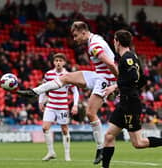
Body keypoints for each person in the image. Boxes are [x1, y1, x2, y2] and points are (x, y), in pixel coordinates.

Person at [17, 21, 118, 164]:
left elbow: (110, 63)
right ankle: (34, 91)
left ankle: (100, 148)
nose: (74, 39)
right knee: (65, 77)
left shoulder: (94, 45)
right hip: (98, 76)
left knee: (90, 113)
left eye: (76, 36)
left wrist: (119, 82)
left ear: (84, 32)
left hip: (105, 79)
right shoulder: (94, 39)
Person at [102, 29, 162, 168]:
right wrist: (125, 90)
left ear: (117, 42)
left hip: (130, 104)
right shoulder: (132, 56)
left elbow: (133, 78)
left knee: (138, 143)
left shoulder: (127, 58)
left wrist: (116, 87)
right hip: (125, 101)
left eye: (114, 41)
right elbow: (142, 80)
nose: (114, 44)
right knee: (109, 136)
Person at [40, 53, 79, 161]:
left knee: (65, 129)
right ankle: (51, 152)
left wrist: (75, 105)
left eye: (60, 61)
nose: (58, 62)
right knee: (45, 127)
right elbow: (43, 88)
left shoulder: (68, 75)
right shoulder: (48, 74)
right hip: (51, 105)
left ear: (64, 62)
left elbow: (75, 91)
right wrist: (41, 101)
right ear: (53, 62)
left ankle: (67, 155)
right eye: (56, 60)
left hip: (62, 106)